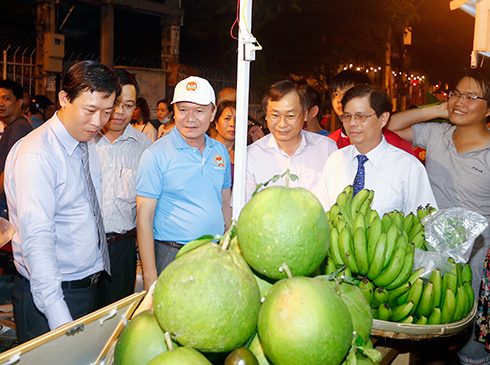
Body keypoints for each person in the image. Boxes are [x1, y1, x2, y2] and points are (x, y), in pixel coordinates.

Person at [4, 61, 120, 343]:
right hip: (51, 297)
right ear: (64, 99)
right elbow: (38, 239)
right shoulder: (38, 154)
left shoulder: (84, 140)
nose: (98, 122)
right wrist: (59, 319)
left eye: (107, 112)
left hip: (85, 286)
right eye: (90, 110)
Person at [388, 68, 490, 364]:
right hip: (429, 255)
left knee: (472, 349)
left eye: (471, 96)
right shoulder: (436, 134)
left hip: (476, 265)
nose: (460, 101)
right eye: (456, 93)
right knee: (427, 334)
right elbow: (389, 126)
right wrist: (439, 109)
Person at [136, 76, 232, 291]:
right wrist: (151, 280)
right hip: (172, 254)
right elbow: (144, 219)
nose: (190, 118)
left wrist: (228, 249)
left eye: (199, 111)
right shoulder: (155, 155)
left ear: (212, 113)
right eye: (183, 110)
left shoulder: (220, 152)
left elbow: (225, 205)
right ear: (174, 112)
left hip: (214, 252)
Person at [316, 85, 437, 216]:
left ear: (383, 118)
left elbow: (425, 222)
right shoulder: (335, 160)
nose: (352, 123)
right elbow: (321, 213)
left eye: (361, 116)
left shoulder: (408, 167)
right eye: (347, 116)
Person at [94, 69, 151, 308]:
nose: (119, 112)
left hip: (122, 250)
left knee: (115, 322)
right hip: (82, 247)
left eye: (128, 105)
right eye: (115, 104)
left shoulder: (144, 147)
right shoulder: (83, 139)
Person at [245, 80, 337, 202]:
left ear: (305, 115)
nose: (282, 124)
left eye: (290, 116)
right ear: (266, 116)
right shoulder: (252, 155)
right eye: (275, 115)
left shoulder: (326, 148)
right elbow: (244, 207)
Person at [327, 70, 417, 159]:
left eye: (346, 92)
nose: (339, 99)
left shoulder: (394, 143)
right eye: (335, 94)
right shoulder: (330, 142)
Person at [0, 80, 33, 220]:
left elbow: (10, 170)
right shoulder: (13, 126)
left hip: (6, 205)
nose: (1, 103)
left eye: (6, 99)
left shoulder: (18, 128)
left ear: (19, 103)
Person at [213, 100, 236, 185]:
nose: (232, 124)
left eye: (237, 120)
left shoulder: (245, 154)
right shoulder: (205, 149)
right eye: (227, 118)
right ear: (216, 123)